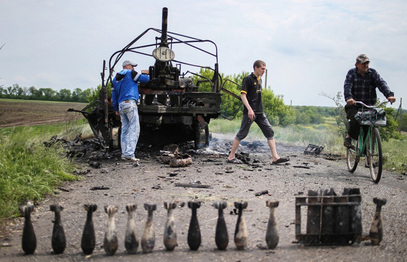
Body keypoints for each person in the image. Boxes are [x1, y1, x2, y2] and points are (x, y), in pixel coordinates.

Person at [227, 60, 289, 165]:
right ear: (256, 68)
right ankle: (231, 156)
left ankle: (275, 157)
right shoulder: (248, 79)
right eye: (262, 69)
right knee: (242, 133)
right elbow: (243, 96)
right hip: (250, 112)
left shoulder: (259, 79)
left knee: (270, 132)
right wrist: (250, 109)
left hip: (260, 112)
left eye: (265, 69)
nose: (264, 71)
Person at [343, 54, 396, 147]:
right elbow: (347, 86)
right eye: (363, 63)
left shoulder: (373, 73)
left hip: (369, 105)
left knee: (369, 126)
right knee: (355, 120)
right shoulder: (351, 73)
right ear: (357, 64)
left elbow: (381, 84)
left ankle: (368, 151)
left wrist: (389, 95)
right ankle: (349, 137)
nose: (366, 65)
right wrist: (349, 98)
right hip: (355, 104)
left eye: (367, 63)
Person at [112, 60, 149, 163]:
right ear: (127, 66)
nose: (134, 68)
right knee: (134, 128)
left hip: (121, 105)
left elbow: (114, 96)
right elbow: (145, 79)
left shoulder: (115, 79)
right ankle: (130, 154)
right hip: (130, 103)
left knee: (125, 130)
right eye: (132, 66)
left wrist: (116, 109)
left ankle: (124, 154)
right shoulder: (130, 73)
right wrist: (150, 76)